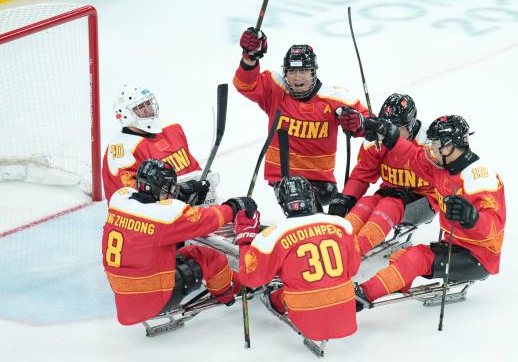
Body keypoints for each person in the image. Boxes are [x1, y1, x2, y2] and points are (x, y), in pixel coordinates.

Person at [354, 115, 506, 305]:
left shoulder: (480, 179)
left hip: (478, 256)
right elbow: (413, 156)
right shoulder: (442, 167)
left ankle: (363, 295)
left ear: (450, 145)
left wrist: (471, 218)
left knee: (416, 258)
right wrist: (389, 136)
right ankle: (397, 281)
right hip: (453, 244)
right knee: (401, 256)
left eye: (435, 143)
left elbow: (493, 228)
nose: (431, 148)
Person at [102, 158, 256, 326]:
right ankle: (230, 291)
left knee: (176, 250)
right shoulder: (164, 218)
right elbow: (205, 219)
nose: (171, 193)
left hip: (123, 296)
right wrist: (234, 207)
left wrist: (185, 190)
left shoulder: (119, 199)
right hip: (151, 299)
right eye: (168, 189)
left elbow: (153, 205)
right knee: (207, 257)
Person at [233, 28, 369, 209]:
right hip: (285, 180)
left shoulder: (335, 98)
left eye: (303, 70)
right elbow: (245, 84)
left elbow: (371, 125)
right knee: (305, 214)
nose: (297, 77)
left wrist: (358, 122)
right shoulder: (274, 89)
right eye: (292, 71)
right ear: (285, 72)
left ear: (313, 72)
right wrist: (250, 58)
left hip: (322, 183)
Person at [234, 174, 361, 341]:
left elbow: (251, 279)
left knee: (289, 284)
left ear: (281, 202)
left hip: (307, 321)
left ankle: (277, 301)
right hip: (346, 314)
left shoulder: (271, 235)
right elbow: (352, 269)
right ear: (311, 196)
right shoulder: (341, 224)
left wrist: (246, 241)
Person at [328, 93, 436, 255]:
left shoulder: (430, 142)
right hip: (391, 193)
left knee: (387, 207)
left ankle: (351, 254)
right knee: (364, 205)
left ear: (410, 125)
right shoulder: (377, 140)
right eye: (386, 126)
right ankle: (334, 245)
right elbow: (363, 173)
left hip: (424, 199)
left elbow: (432, 171)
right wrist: (347, 198)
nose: (389, 132)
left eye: (395, 128)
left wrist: (395, 143)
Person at [102, 84, 220, 204]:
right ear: (125, 114)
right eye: (140, 107)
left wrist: (202, 181)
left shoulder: (172, 129)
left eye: (148, 103)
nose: (149, 109)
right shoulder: (121, 150)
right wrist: (176, 193)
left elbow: (190, 166)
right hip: (156, 215)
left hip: (188, 205)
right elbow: (129, 200)